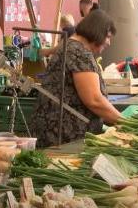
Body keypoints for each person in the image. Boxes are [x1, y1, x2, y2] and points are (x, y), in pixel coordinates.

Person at [31, 10, 121, 148]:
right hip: (67, 135)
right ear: (96, 32)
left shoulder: (70, 47)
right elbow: (94, 100)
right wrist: (124, 122)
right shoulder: (79, 53)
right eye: (107, 37)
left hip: (57, 130)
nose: (108, 42)